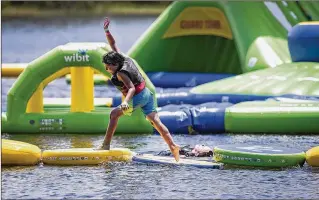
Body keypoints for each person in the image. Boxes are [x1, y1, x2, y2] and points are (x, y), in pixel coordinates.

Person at [100, 17, 180, 162]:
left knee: (113, 114)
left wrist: (126, 102)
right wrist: (106, 31)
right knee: (156, 122)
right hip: (147, 94)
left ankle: (105, 145)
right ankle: (173, 146)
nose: (107, 69)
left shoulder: (120, 73)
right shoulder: (124, 58)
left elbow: (130, 88)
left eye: (108, 66)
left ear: (115, 64)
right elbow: (113, 44)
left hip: (136, 96)